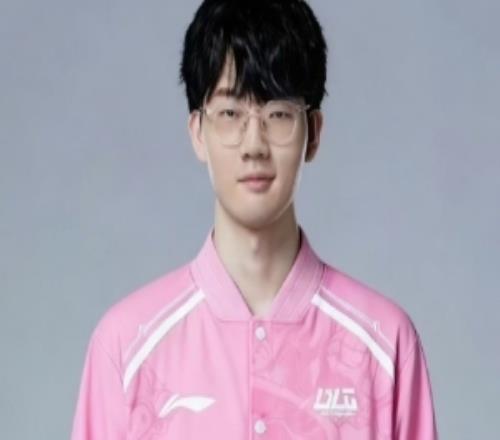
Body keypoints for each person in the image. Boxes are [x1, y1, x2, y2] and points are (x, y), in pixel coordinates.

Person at [70, 0, 438, 438]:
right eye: (230, 114)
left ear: (314, 133)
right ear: (197, 132)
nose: (254, 145)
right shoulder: (125, 347)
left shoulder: (384, 346)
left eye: (277, 114)